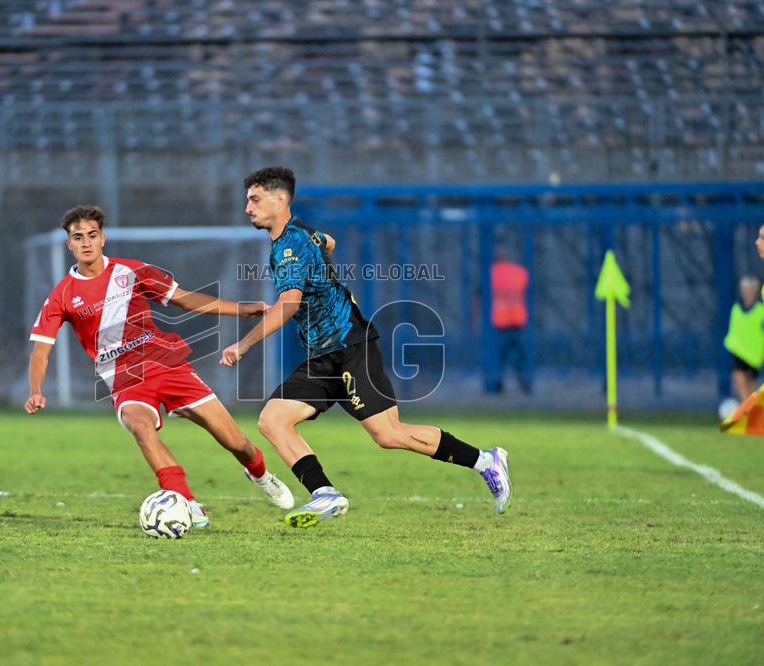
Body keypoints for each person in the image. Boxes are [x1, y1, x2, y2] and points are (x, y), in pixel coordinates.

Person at [221, 166, 512, 528]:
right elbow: (330, 243)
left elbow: (289, 304)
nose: (248, 207)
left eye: (255, 199)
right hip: (321, 355)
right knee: (272, 420)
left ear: (280, 200)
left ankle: (486, 461)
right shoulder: (299, 234)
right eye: (248, 199)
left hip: (350, 346)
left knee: (389, 435)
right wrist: (319, 245)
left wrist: (244, 344)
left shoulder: (290, 247)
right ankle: (324, 493)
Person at [26, 205, 294, 528]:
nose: (85, 242)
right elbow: (41, 349)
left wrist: (242, 310)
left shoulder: (131, 272)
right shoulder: (62, 296)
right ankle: (187, 504)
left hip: (167, 365)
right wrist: (36, 390)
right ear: (69, 244)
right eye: (77, 237)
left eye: (92, 235)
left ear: (103, 239)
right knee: (141, 428)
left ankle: (260, 474)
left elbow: (185, 299)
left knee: (235, 440)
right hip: (124, 379)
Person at [488, 248, 531, 394]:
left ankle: (496, 385)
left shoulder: (491, 273)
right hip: (518, 321)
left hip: (499, 322)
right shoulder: (520, 272)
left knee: (498, 358)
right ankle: (525, 384)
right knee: (521, 358)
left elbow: (479, 296)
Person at [723, 276, 764, 403]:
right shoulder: (736, 308)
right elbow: (733, 328)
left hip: (755, 353)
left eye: (748, 289)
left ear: (755, 291)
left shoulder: (761, 310)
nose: (745, 292)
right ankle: (745, 408)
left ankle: (748, 408)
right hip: (738, 350)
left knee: (750, 384)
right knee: (738, 377)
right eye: (744, 289)